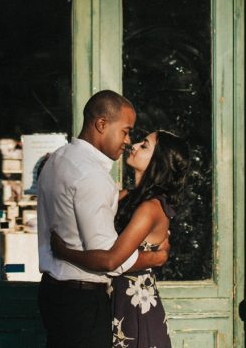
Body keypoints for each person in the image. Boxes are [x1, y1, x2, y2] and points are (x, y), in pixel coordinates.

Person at [36, 90, 169, 348]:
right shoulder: (92, 176)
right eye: (125, 131)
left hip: (53, 293)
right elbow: (109, 260)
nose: (128, 141)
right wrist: (154, 258)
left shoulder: (58, 159)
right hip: (81, 302)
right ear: (101, 124)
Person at [51, 130, 190, 348]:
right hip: (109, 299)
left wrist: (64, 252)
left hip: (133, 307)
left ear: (159, 161)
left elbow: (111, 261)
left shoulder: (151, 208)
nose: (134, 145)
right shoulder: (126, 197)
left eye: (144, 145)